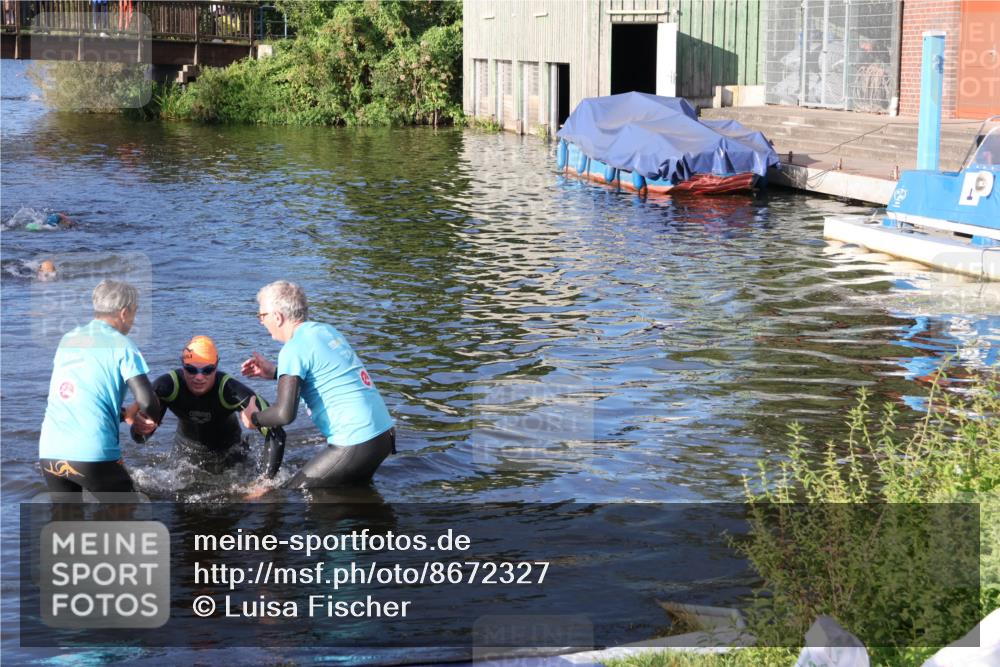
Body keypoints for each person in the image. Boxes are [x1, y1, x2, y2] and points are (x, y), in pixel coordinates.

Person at [241, 281, 395, 488]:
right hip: (383, 435)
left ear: (277, 317)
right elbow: (323, 374)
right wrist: (274, 373)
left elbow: (284, 414)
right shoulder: (325, 331)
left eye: (262, 316)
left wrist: (253, 418)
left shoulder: (292, 349)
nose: (261, 322)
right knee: (352, 499)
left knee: (290, 493)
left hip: (356, 440)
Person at [38, 280, 162, 494]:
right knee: (126, 522)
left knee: (66, 524)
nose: (133, 320)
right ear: (124, 313)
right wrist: (143, 428)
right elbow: (148, 401)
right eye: (134, 313)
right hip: (93, 455)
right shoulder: (122, 345)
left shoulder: (69, 339)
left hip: (50, 452)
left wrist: (124, 415)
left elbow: (82, 398)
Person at [129, 335, 284, 475]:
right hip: (185, 456)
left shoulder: (230, 390)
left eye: (207, 370)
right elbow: (140, 438)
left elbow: (277, 433)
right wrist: (140, 429)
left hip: (230, 454)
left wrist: (265, 483)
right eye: (191, 370)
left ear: (216, 366)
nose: (199, 377)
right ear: (183, 366)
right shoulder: (167, 386)